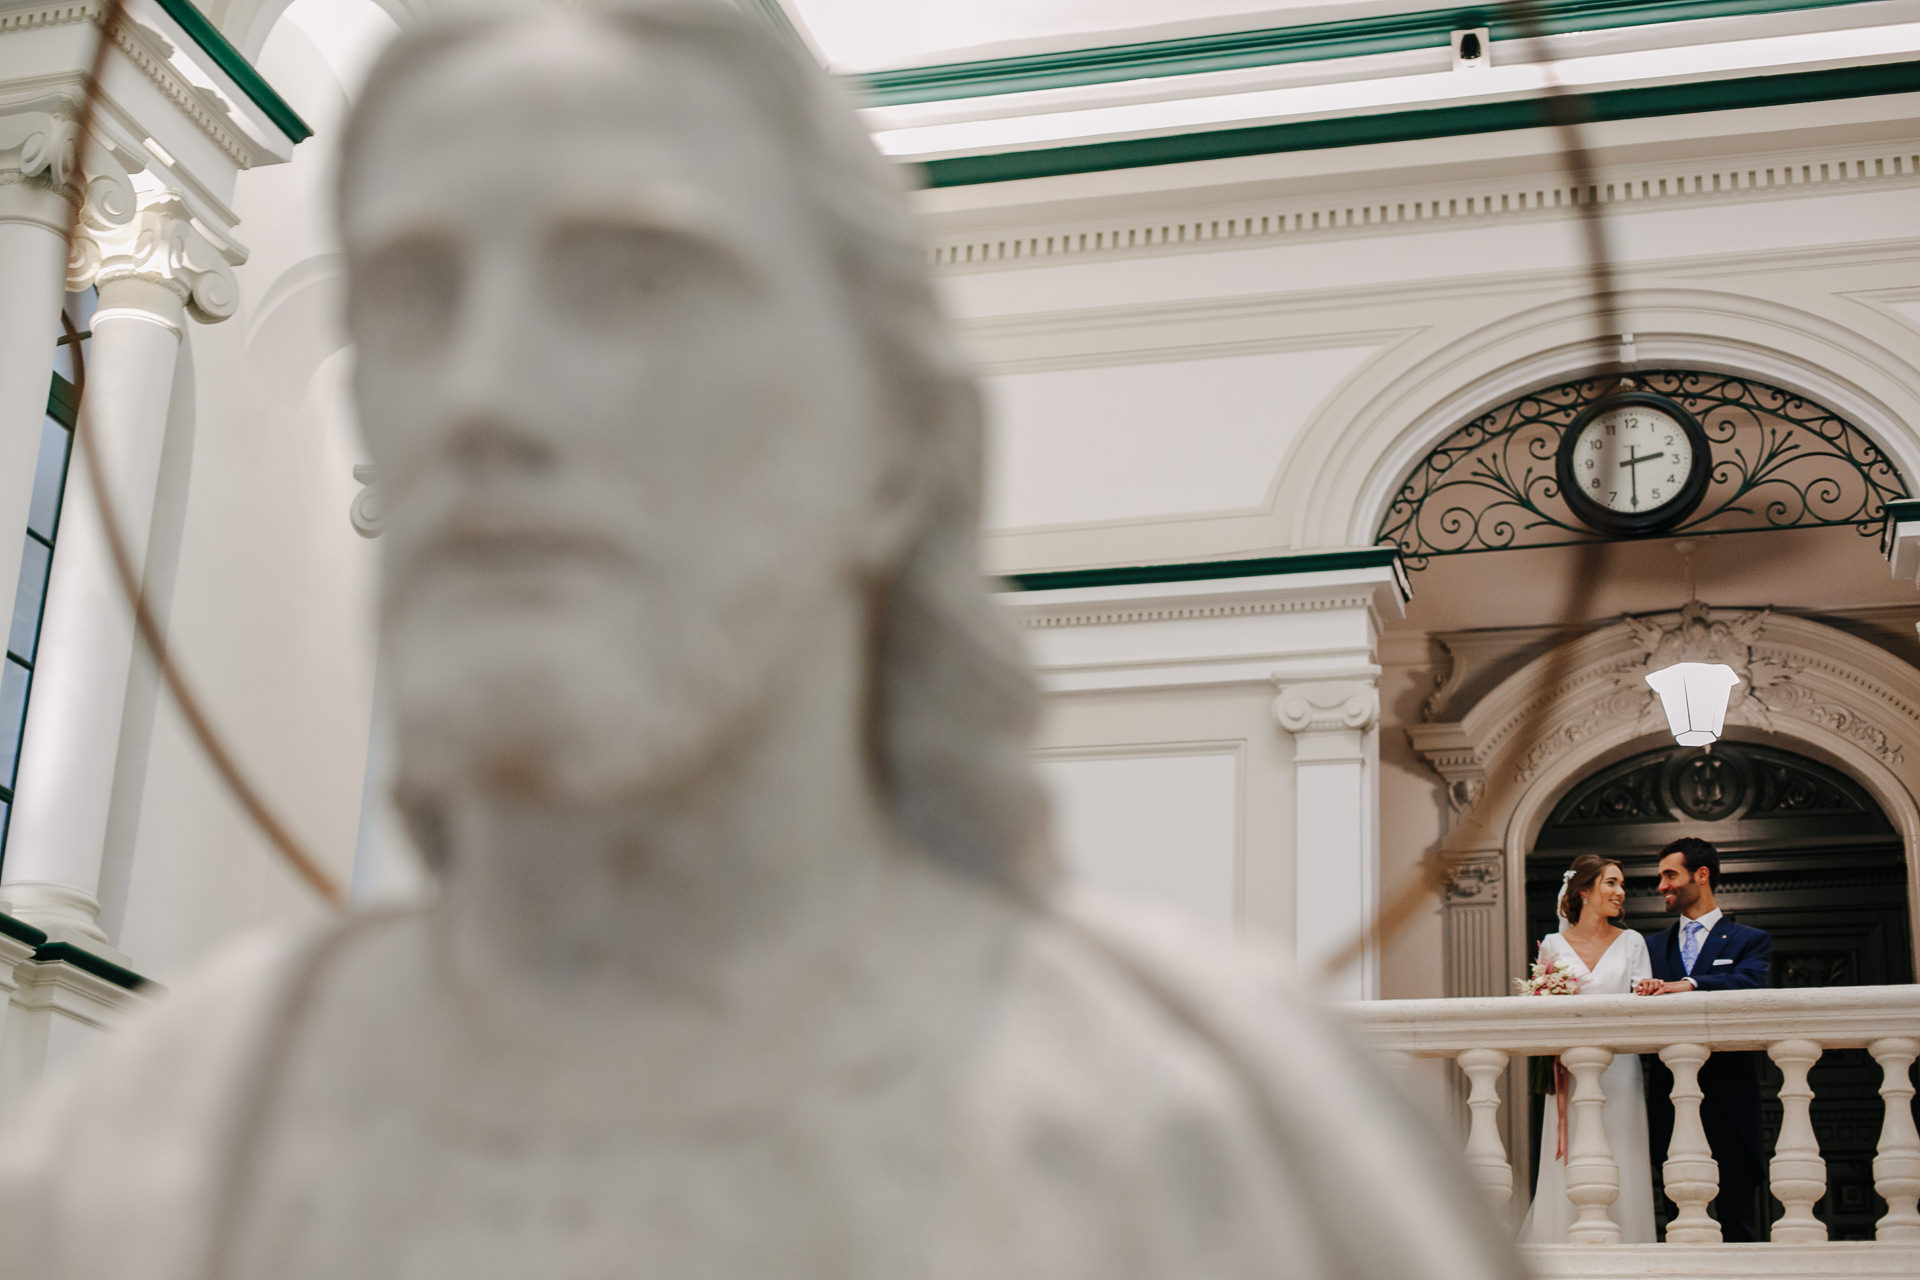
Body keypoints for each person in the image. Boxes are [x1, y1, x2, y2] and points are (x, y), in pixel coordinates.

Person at [0, 5, 1523, 1278]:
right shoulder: (171, 1132)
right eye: (415, 299)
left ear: (891, 445)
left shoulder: (1245, 1142)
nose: (482, 397)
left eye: (632, 282)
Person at [1635, 836, 1772, 1241]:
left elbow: (1750, 983)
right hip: (1667, 1093)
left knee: (1737, 1218)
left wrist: (1690, 983)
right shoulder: (1649, 946)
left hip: (1730, 1092)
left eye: (1669, 875)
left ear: (1702, 875)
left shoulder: (1750, 941)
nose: (1661, 886)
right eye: (1660, 877)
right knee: (1675, 1217)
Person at [1519, 854, 1657, 1244]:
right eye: (1611, 883)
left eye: (1621, 884)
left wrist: (1648, 991)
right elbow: (1540, 1008)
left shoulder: (1632, 942)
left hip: (1619, 1071)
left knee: (1620, 1148)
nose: (1620, 892)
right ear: (1583, 891)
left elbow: (1644, 1000)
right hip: (1571, 1073)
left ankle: (1628, 1244)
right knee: (1574, 1151)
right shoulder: (1552, 944)